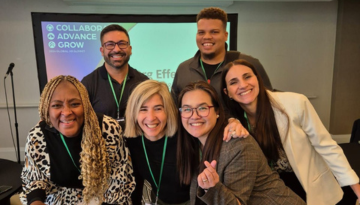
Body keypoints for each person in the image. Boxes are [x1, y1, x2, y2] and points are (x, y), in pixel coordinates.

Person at [220, 59, 360, 205]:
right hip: (274, 190)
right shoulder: (234, 123)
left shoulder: (295, 103)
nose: (243, 85)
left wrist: (357, 189)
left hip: (309, 184)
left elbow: (326, 146)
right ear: (227, 92)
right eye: (233, 82)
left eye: (247, 76)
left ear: (258, 79)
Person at [176, 81, 305, 205]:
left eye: (202, 108)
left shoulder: (237, 145)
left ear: (217, 112)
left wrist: (212, 188)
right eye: (187, 109)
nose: (194, 115)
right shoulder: (193, 145)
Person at [124, 80, 247, 205]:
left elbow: (209, 120)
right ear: (133, 112)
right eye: (143, 109)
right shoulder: (130, 140)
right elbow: (135, 184)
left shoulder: (186, 133)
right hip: (158, 201)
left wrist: (232, 121)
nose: (151, 117)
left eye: (158, 108)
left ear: (168, 110)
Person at [20, 75, 135, 205]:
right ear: (47, 109)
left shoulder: (108, 128)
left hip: (103, 198)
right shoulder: (37, 135)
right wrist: (36, 202)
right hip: (59, 199)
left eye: (75, 104)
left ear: (85, 105)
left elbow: (119, 180)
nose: (67, 112)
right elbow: (34, 180)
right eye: (57, 105)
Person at [171, 7, 272, 104]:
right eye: (201, 32)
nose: (206, 37)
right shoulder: (183, 69)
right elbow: (174, 109)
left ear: (225, 35)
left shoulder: (248, 64)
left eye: (214, 32)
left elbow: (268, 102)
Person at [81, 24, 148, 127]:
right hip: (102, 143)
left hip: (137, 142)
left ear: (130, 49)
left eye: (122, 44)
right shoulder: (88, 83)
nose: (116, 49)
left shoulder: (144, 82)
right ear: (102, 50)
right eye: (110, 44)